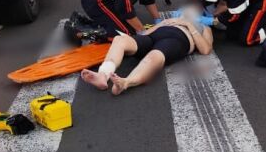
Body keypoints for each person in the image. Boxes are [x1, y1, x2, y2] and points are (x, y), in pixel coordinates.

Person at [80, 5, 214, 95]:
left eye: (193, 9)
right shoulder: (174, 18)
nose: (188, 10)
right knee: (120, 39)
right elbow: (143, 34)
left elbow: (206, 49)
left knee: (154, 56)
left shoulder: (203, 26)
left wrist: (189, 25)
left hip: (177, 40)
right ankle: (103, 75)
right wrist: (161, 24)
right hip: (154, 36)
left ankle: (125, 83)